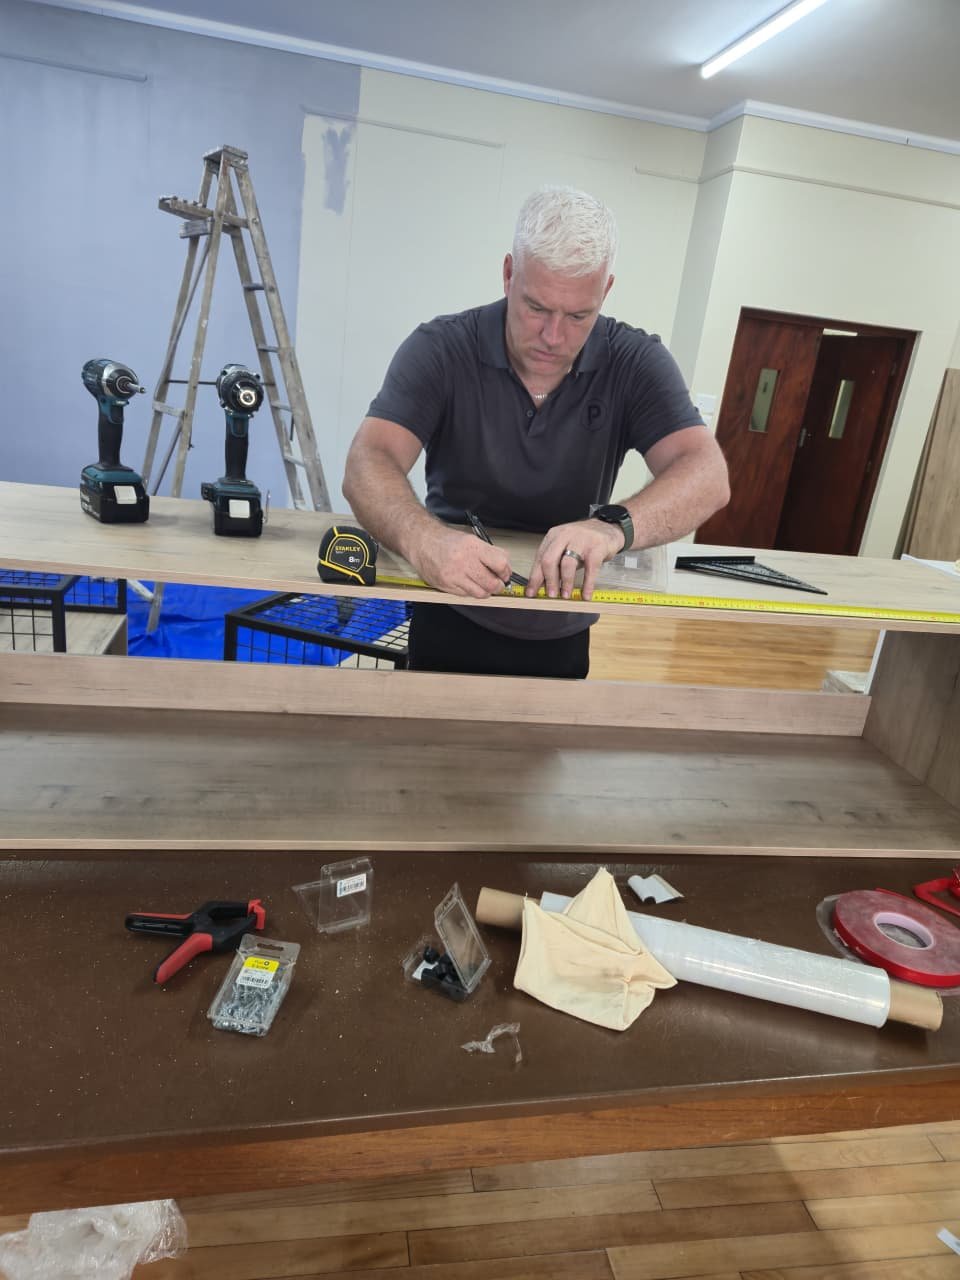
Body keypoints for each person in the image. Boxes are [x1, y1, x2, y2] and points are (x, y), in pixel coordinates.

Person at [342, 185, 729, 679]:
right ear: (509, 275)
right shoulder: (440, 349)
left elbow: (707, 474)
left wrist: (612, 527)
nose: (553, 336)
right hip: (449, 607)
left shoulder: (635, 362)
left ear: (605, 292)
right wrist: (425, 541)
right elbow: (367, 460)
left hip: (563, 622)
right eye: (536, 308)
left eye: (577, 316)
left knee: (542, 755)